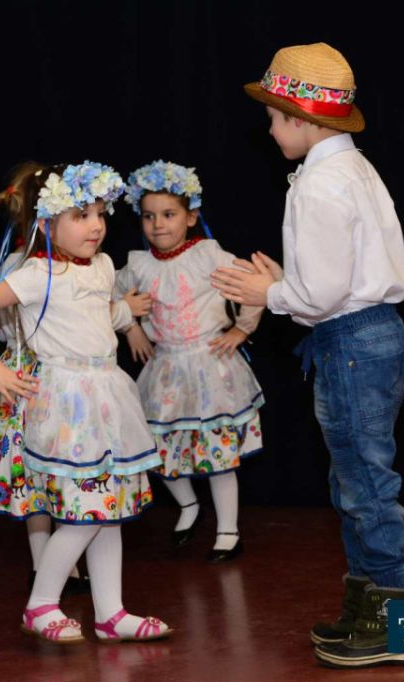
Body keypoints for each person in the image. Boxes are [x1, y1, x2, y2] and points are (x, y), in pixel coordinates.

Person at [211, 42, 404, 668]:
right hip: (372, 336)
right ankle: (368, 606)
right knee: (354, 478)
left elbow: (324, 295)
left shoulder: (321, 184)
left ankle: (399, 623)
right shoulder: (353, 169)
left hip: (352, 342)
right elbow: (334, 279)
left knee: (365, 486)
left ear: (301, 119)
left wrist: (270, 293)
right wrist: (290, 284)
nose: (270, 130)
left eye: (274, 119)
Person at [0, 161, 171, 643]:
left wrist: (125, 316)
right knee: (84, 513)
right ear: (47, 223)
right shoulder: (38, 273)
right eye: (80, 215)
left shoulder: (102, 266)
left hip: (106, 397)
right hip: (67, 405)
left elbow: (96, 314)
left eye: (99, 214)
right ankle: (40, 605)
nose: (95, 225)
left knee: (108, 511)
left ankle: (111, 613)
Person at [115, 161, 264, 562]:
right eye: (149, 216)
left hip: (209, 367)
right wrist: (131, 327)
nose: (158, 225)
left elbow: (253, 282)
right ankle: (189, 505)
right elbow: (112, 295)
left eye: (169, 215)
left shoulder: (207, 255)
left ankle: (229, 531)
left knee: (218, 455)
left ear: (191, 217)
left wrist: (241, 330)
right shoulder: (138, 265)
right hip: (165, 369)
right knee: (155, 447)